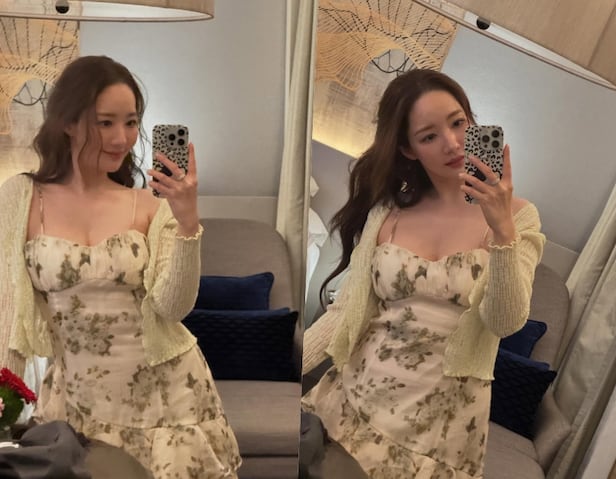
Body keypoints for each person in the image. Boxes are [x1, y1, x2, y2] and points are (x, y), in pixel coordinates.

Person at [0, 55, 241, 478]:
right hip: (78, 405)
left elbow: (172, 307)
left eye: (131, 122)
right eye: (105, 122)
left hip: (169, 402)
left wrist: (188, 222)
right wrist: (4, 402)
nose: (122, 138)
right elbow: (7, 309)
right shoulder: (21, 197)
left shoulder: (150, 205)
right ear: (68, 122)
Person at [301, 68, 545, 478]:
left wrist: (502, 229)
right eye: (429, 136)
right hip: (355, 401)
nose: (452, 143)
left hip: (440, 426)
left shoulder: (520, 218)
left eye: (458, 123)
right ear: (409, 149)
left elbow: (504, 321)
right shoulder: (388, 212)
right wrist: (280, 371)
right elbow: (346, 311)